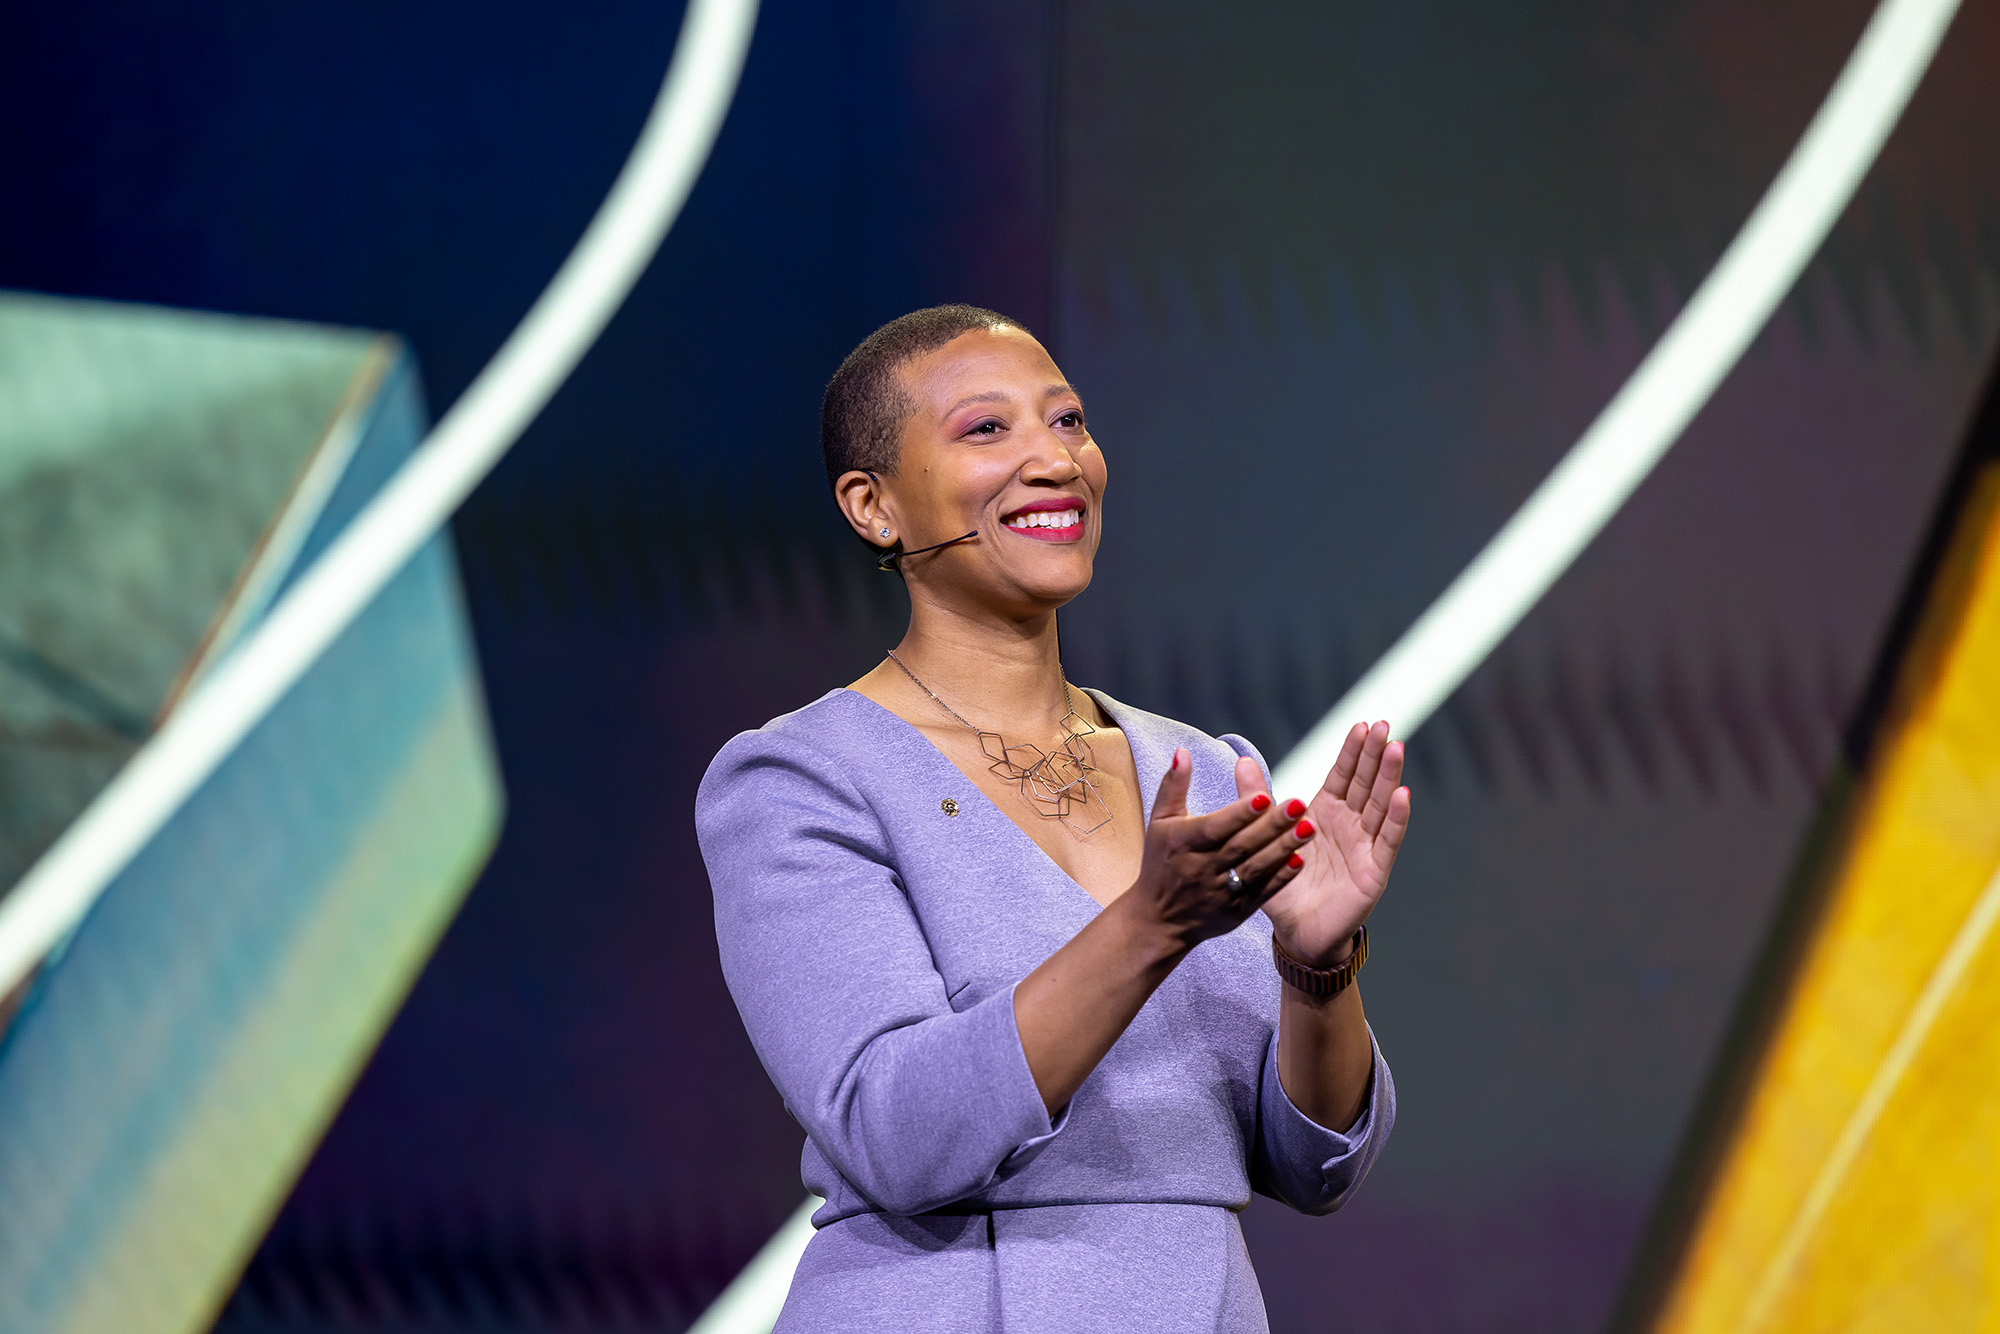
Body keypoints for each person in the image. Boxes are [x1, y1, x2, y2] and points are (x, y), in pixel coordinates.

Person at [696, 305, 1411, 1332]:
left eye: (1067, 420)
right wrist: (1148, 922)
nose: (1051, 457)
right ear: (872, 505)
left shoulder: (1205, 771)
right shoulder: (801, 780)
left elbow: (1314, 1163)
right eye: (986, 429)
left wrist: (1316, 963)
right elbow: (895, 1130)